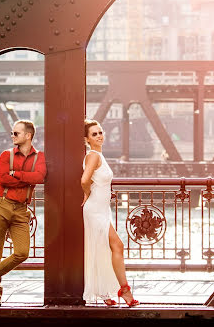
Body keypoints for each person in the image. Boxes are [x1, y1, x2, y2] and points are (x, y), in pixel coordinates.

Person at [0, 120, 46, 307]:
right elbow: (3, 179)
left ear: (28, 136)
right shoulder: (6, 155)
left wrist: (18, 174)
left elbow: (40, 177)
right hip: (1, 204)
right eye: (12, 133)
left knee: (23, 252)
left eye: (16, 133)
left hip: (21, 209)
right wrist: (25, 179)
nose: (12, 136)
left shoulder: (39, 157)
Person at [81, 119, 139, 307]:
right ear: (87, 139)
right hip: (95, 209)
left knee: (102, 249)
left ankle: (104, 292)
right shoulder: (93, 156)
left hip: (102, 209)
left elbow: (97, 180)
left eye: (100, 132)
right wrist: (88, 194)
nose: (99, 136)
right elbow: (84, 180)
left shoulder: (99, 155)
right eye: (94, 134)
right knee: (118, 246)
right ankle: (124, 290)